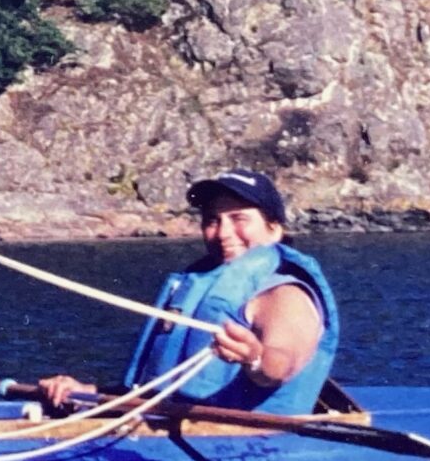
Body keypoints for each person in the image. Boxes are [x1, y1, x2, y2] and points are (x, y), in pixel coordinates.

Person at [40, 169, 340, 417]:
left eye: (239, 219)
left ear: (274, 229)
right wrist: (89, 394)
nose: (222, 232)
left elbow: (281, 364)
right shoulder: (197, 282)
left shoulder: (284, 294)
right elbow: (159, 389)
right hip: (162, 426)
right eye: (212, 220)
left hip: (253, 447)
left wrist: (255, 358)